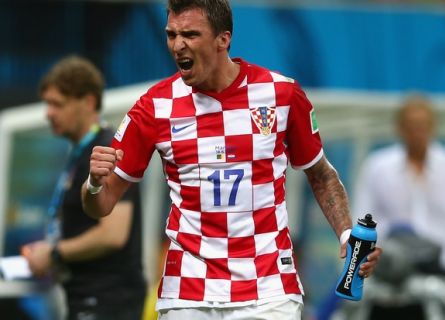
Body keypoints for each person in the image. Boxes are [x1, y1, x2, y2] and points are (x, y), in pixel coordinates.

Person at [81, 0, 382, 319]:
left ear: (223, 39)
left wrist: (347, 235)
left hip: (268, 291)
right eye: (171, 34)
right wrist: (95, 183)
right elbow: (99, 205)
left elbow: (321, 175)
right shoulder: (154, 107)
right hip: (187, 293)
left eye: (191, 34)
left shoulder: (281, 95)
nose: (178, 45)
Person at [23, 55, 146, 320]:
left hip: (108, 299)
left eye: (57, 104)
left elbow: (113, 234)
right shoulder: (80, 153)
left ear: (88, 101)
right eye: (47, 104)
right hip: (87, 296)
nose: (48, 113)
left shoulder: (106, 151)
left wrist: (54, 253)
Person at [353, 93, 445, 311]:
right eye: (411, 126)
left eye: (422, 125)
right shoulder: (378, 168)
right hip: (389, 281)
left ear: (433, 127)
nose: (417, 132)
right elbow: (361, 227)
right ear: (399, 128)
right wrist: (361, 279)